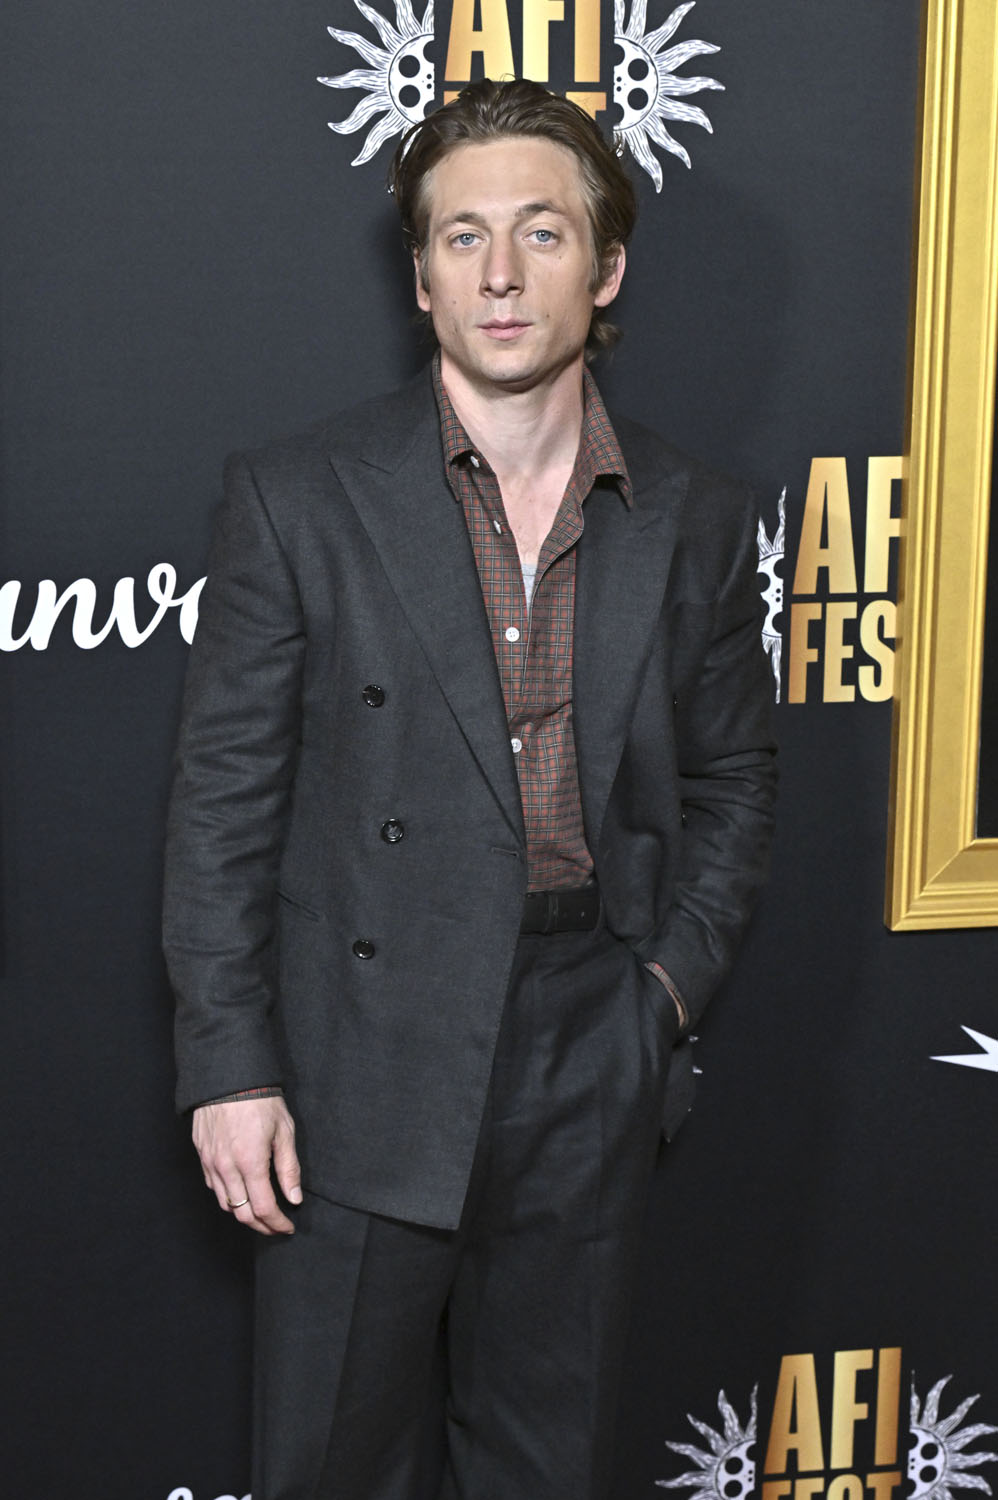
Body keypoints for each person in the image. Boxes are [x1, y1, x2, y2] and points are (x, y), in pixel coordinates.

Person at [163, 77, 776, 1500]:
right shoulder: (298, 497)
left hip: (588, 1043)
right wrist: (232, 1066)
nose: (500, 273)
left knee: (546, 1469)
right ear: (422, 277)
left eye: (541, 233)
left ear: (605, 268)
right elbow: (222, 807)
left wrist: (658, 1002)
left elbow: (734, 780)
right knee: (333, 1467)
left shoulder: (691, 513)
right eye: (461, 237)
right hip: (356, 1060)